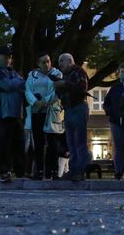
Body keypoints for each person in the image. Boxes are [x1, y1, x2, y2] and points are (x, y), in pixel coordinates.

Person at [0, 46, 25, 180]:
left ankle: (20, 171)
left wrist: (16, 83)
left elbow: (20, 83)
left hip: (15, 112)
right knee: (4, 143)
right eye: (6, 56)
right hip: (3, 113)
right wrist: (18, 83)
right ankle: (3, 171)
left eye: (10, 57)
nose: (9, 59)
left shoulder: (12, 72)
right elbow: (7, 85)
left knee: (18, 142)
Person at [25, 53, 64, 180]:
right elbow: (27, 90)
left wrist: (45, 101)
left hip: (50, 111)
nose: (46, 64)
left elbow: (57, 92)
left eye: (48, 61)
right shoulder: (32, 75)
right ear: (38, 63)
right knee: (38, 142)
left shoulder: (57, 74)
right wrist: (35, 102)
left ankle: (52, 170)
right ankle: (39, 170)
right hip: (37, 111)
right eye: (43, 62)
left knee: (53, 142)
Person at [56, 53, 91, 182]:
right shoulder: (65, 76)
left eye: (62, 61)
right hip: (69, 110)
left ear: (70, 61)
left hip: (78, 108)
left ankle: (79, 171)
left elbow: (81, 87)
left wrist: (62, 84)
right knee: (71, 142)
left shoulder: (79, 71)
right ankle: (73, 169)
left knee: (79, 141)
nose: (59, 64)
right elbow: (60, 93)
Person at [102, 62, 124, 179]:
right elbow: (107, 103)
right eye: (122, 72)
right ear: (118, 74)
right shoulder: (115, 88)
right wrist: (111, 113)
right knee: (118, 146)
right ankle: (118, 170)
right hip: (116, 121)